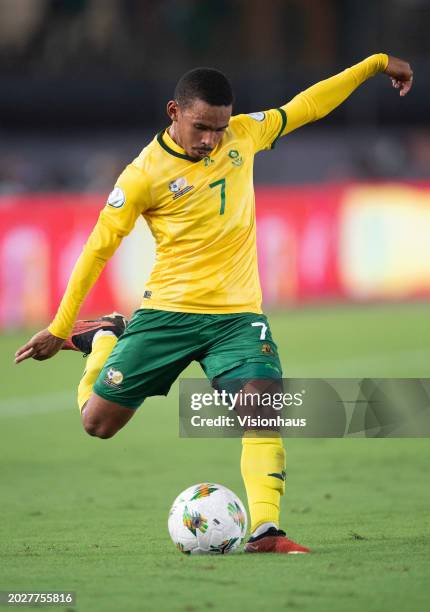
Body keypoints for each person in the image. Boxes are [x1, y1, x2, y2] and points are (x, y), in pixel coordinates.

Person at [15, 53, 413, 554]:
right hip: (169, 315)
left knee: (263, 407)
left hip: (237, 317)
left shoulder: (244, 135)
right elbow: (97, 248)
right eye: (201, 127)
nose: (211, 140)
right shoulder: (142, 176)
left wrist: (374, 64)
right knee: (97, 425)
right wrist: (59, 326)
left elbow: (308, 105)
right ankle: (103, 340)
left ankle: (267, 530)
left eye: (219, 128)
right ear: (173, 111)